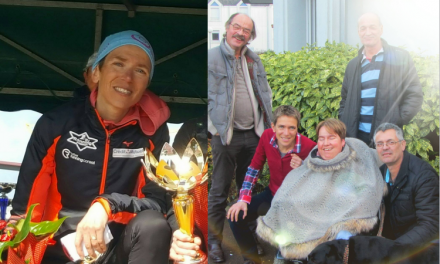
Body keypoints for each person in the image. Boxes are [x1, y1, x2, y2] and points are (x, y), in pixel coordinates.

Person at [10, 30, 184, 263]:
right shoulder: (56, 123)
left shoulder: (153, 132)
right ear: (96, 72)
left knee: (153, 224)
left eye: (140, 70)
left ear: (147, 83)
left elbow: (158, 201)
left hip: (118, 246)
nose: (128, 78)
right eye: (118, 64)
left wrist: (107, 205)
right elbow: (27, 206)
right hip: (59, 248)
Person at [257, 119, 385, 261]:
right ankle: (285, 251)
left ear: (342, 142)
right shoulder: (311, 161)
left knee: (343, 238)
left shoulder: (354, 165)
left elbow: (366, 190)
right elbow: (292, 186)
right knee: (284, 205)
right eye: (321, 139)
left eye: (331, 138)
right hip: (306, 215)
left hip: (337, 225)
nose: (326, 143)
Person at [207, 12, 272, 262]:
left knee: (247, 190)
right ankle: (214, 240)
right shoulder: (211, 57)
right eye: (237, 26)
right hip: (224, 137)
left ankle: (245, 237)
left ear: (250, 36)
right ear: (227, 28)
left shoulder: (254, 60)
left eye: (246, 30)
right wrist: (214, 127)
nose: (240, 32)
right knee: (219, 189)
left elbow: (264, 95)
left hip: (252, 136)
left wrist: (266, 128)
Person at [227, 105, 316, 264]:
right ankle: (251, 259)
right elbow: (254, 168)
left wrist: (304, 166)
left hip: (296, 201)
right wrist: (243, 199)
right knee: (235, 216)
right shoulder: (267, 137)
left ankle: (289, 253)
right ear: (273, 127)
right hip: (273, 193)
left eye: (291, 128)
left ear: (297, 128)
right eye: (281, 127)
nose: (286, 133)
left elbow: (319, 180)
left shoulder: (309, 147)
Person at [339, 13, 423, 146]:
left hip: (387, 138)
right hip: (355, 138)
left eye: (372, 27)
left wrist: (397, 119)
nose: (368, 32)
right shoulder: (353, 65)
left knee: (385, 168)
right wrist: (344, 119)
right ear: (358, 31)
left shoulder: (400, 58)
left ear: (381, 29)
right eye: (363, 28)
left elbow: (414, 94)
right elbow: (344, 98)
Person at [374, 123, 439, 247]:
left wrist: (394, 249)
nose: (385, 147)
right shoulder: (379, 174)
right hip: (389, 245)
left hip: (419, 248)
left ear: (403, 145)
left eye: (391, 142)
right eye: (380, 144)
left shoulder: (424, 176)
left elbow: (430, 224)